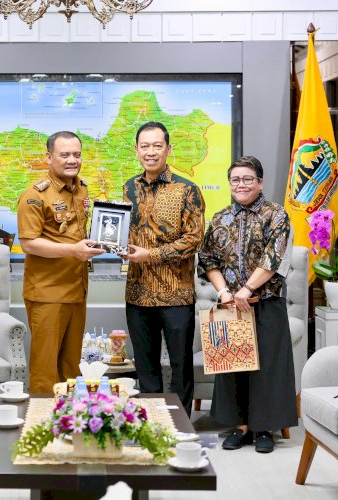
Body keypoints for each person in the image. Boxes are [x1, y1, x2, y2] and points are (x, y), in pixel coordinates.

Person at [197, 155, 298, 454]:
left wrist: (247, 289)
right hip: (231, 305)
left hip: (265, 302)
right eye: (235, 180)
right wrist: (224, 292)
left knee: (266, 368)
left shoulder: (276, 215)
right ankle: (240, 427)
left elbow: (273, 258)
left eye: (247, 179)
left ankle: (263, 429)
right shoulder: (220, 218)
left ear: (260, 182)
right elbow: (208, 259)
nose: (241, 184)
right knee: (234, 367)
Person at [122, 121, 205, 417]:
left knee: (180, 366)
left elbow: (195, 239)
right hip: (137, 293)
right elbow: (125, 232)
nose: (151, 152)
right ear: (136, 150)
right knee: (145, 365)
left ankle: (179, 423)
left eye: (157, 146)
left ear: (168, 149)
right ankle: (151, 420)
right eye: (144, 146)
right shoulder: (128, 187)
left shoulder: (187, 189)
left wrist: (151, 255)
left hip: (176, 295)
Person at [17, 131, 105, 394]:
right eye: (64, 155)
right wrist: (74, 251)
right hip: (48, 293)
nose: (72, 160)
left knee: (71, 369)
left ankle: (68, 417)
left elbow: (76, 234)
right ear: (49, 158)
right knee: (45, 371)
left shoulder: (82, 189)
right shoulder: (35, 195)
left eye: (76, 154)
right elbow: (29, 243)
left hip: (77, 290)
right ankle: (42, 419)